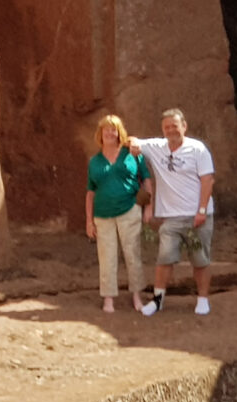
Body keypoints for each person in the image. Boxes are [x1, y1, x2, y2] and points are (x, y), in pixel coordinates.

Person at [142, 107, 216, 317]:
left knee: (200, 259)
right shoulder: (156, 147)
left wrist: (201, 210)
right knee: (164, 257)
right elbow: (132, 142)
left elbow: (207, 180)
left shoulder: (198, 149)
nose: (171, 130)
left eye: (174, 126)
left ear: (184, 126)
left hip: (197, 217)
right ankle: (157, 300)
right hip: (171, 219)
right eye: (166, 127)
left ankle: (202, 299)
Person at [84, 115, 151, 316]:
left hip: (129, 210)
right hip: (103, 215)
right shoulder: (95, 162)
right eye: (106, 130)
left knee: (133, 253)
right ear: (100, 134)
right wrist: (89, 220)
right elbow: (90, 192)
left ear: (119, 132)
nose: (110, 133)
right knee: (107, 257)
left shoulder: (132, 153)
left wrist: (150, 205)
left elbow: (146, 180)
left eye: (114, 129)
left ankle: (137, 296)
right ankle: (108, 298)